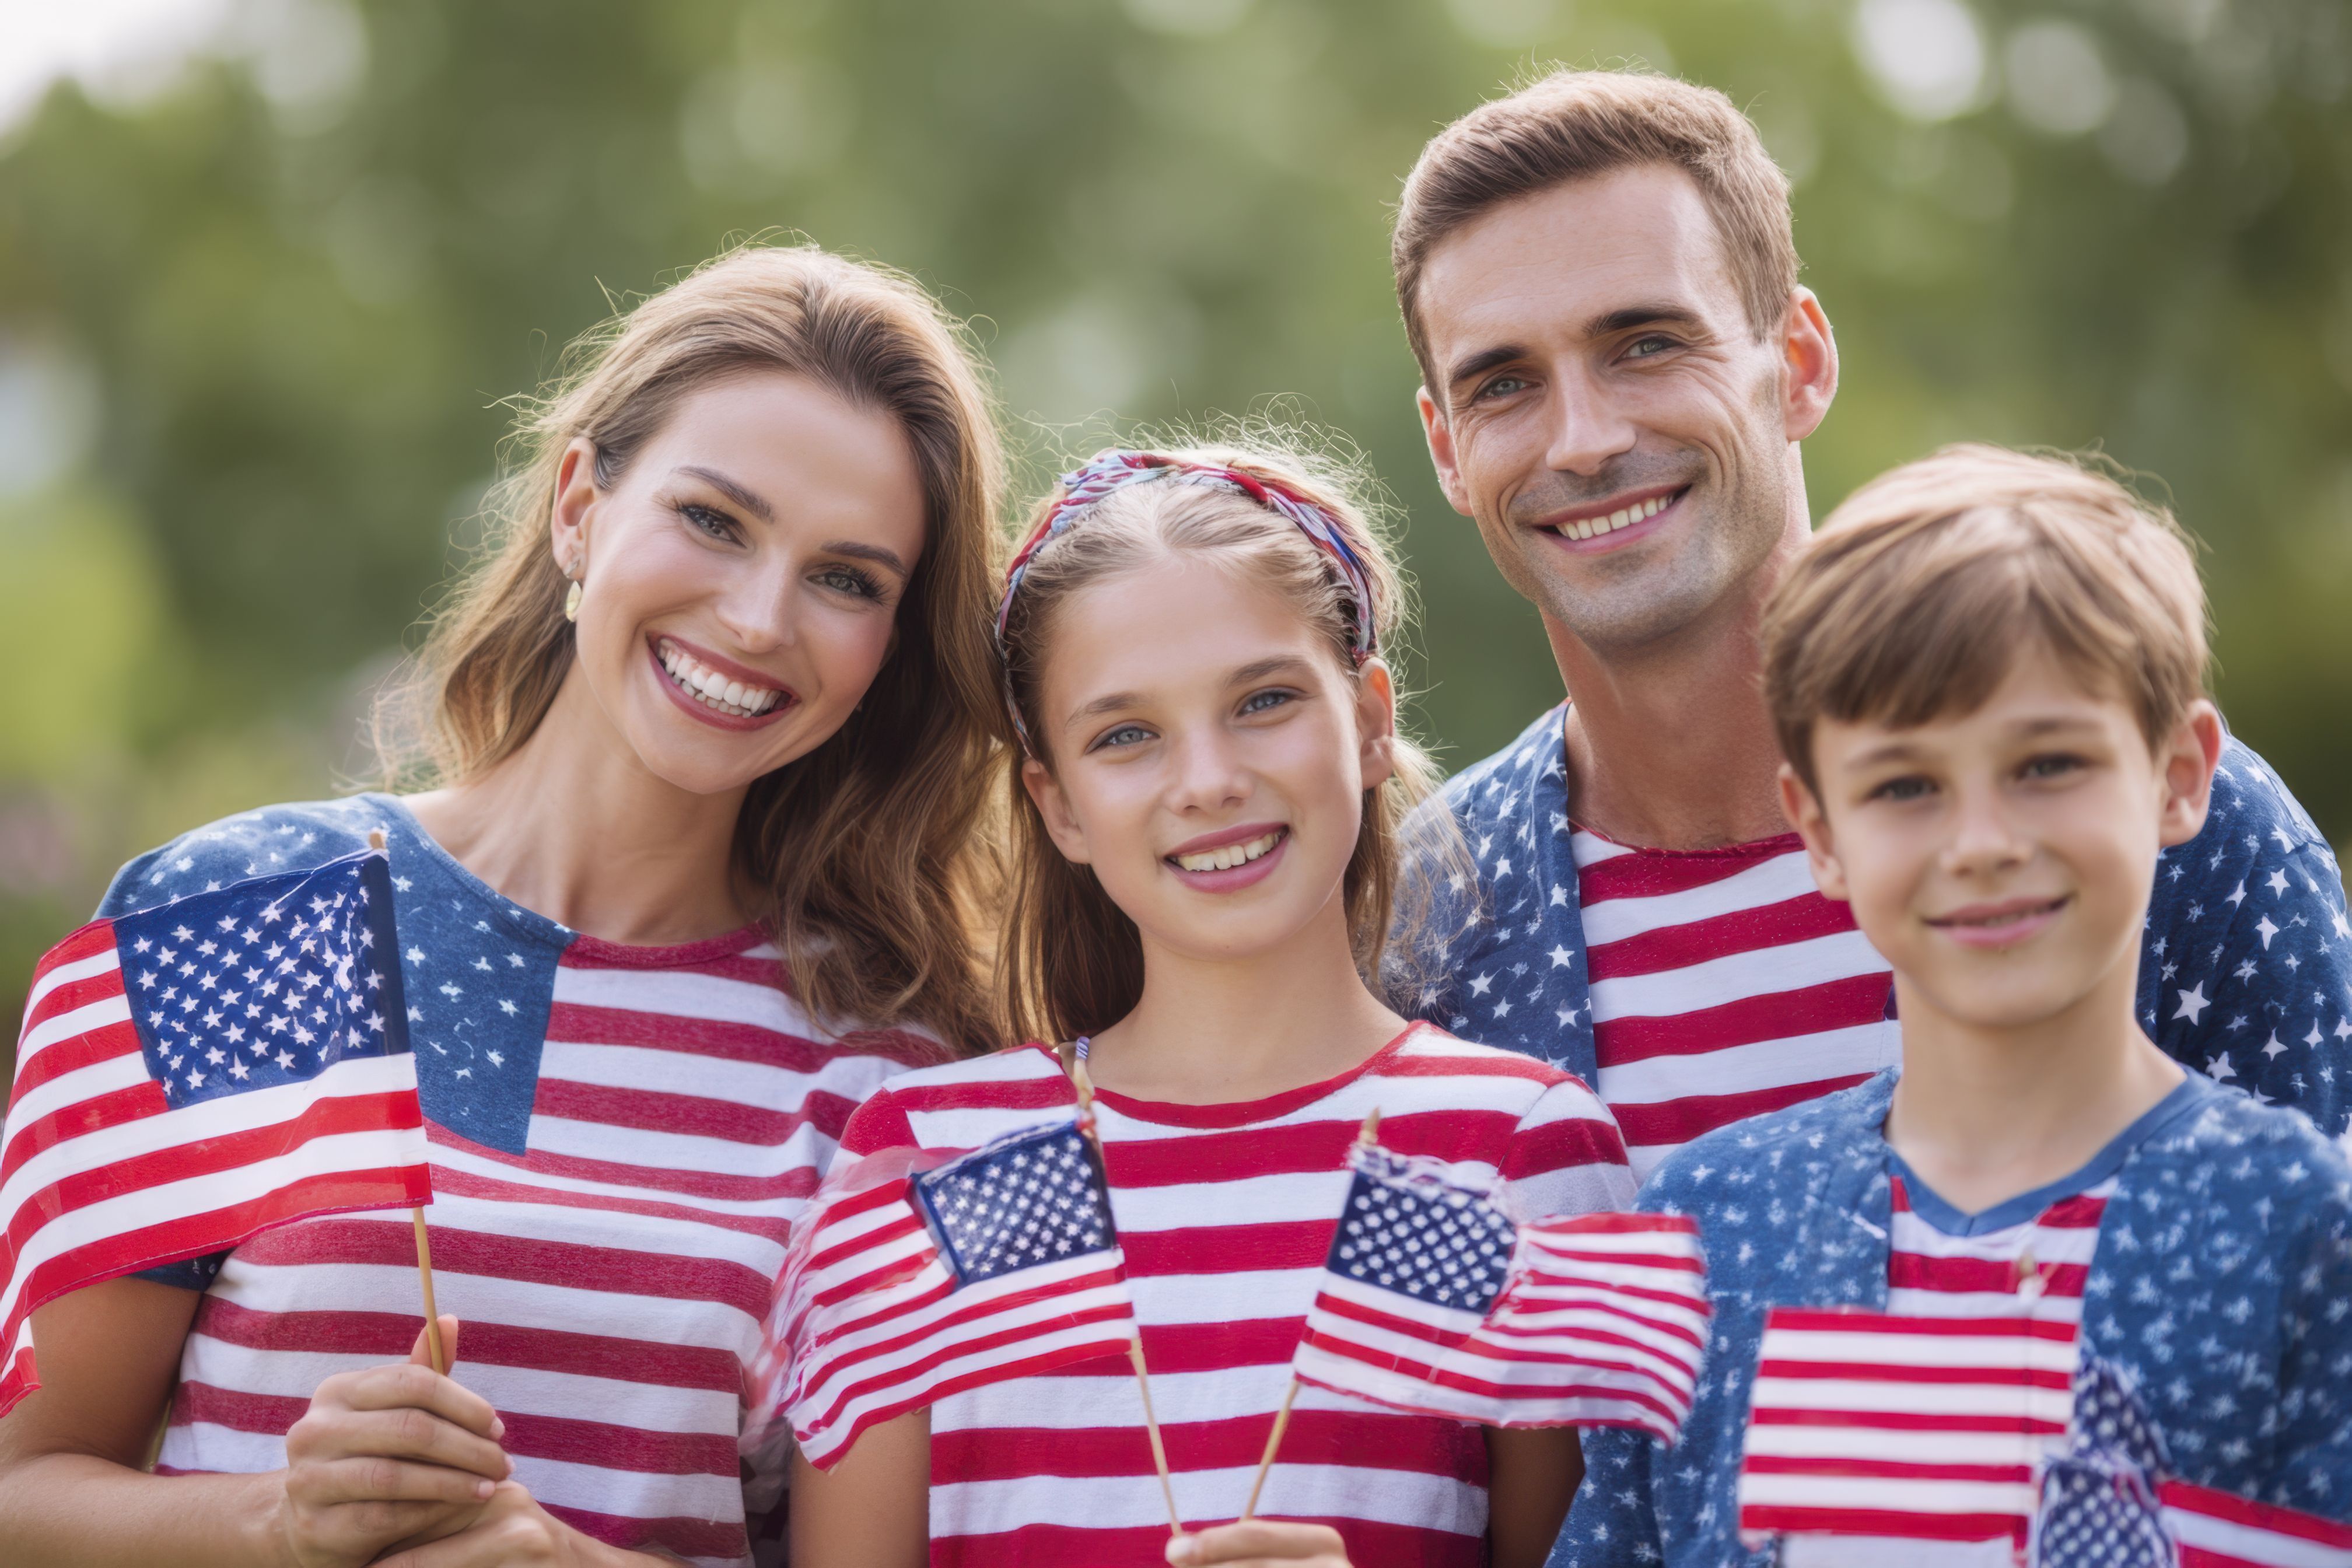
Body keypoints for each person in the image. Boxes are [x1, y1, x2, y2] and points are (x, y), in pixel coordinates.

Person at [0, 243, 1009, 1568]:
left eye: (847, 579)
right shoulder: (231, 917)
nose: (761, 617)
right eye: (713, 520)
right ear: (580, 505)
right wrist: (279, 1523)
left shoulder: (894, 1077)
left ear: (889, 644)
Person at [1389, 69, 2352, 1178]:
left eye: (1646, 344)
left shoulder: (2162, 830)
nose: (1582, 441)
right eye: (1504, 384)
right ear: (1447, 449)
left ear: (1797, 363)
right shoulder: (1417, 932)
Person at [787, 439, 1639, 1568]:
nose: (1208, 780)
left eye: (1265, 700)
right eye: (1126, 735)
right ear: (1060, 806)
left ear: (1371, 721)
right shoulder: (924, 1162)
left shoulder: (1516, 1154)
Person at [1555, 445, 2352, 1565]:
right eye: (1907, 787)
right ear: (1821, 829)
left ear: (2178, 774)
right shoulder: (1705, 1235)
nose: (1982, 845)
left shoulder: (2304, 1230)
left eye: (2046, 766)